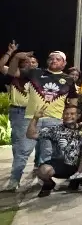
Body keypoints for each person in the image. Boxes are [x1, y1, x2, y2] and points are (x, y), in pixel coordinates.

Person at [7, 50, 77, 166]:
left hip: (54, 120)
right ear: (47, 61)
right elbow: (11, 72)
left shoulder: (68, 80)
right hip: (31, 118)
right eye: (51, 58)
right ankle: (14, 181)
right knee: (23, 151)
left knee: (47, 152)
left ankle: (43, 179)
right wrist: (16, 58)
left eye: (58, 59)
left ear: (64, 63)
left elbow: (73, 99)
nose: (54, 60)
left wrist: (70, 117)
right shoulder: (35, 72)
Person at [25, 105, 82, 197]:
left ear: (78, 116)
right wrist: (35, 118)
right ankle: (49, 184)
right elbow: (30, 135)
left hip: (81, 166)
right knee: (43, 171)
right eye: (66, 114)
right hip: (61, 164)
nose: (68, 116)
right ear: (62, 115)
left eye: (72, 114)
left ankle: (75, 181)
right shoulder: (55, 129)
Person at [1, 42, 39, 191]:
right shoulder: (16, 73)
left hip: (37, 113)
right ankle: (15, 178)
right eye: (27, 61)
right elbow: (2, 67)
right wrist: (11, 54)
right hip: (18, 112)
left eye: (34, 61)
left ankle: (37, 170)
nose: (31, 63)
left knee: (39, 145)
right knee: (19, 146)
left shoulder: (40, 76)